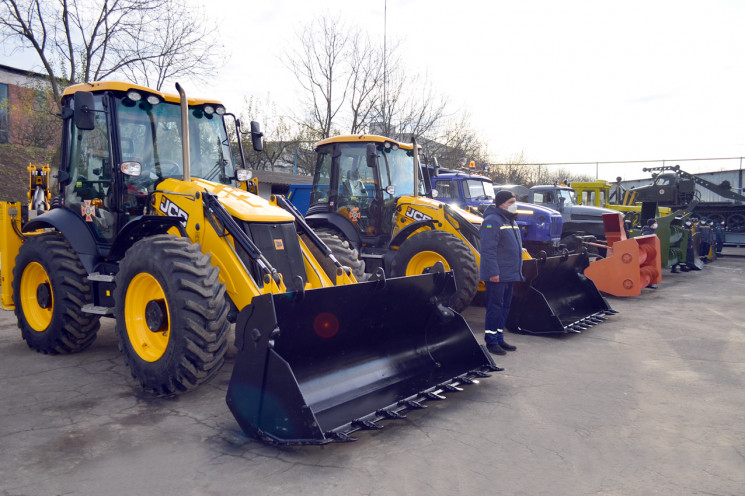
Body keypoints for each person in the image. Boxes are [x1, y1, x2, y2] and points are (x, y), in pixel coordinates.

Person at [479, 190, 523, 356]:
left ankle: (498, 336)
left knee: (504, 306)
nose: (514, 205)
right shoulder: (492, 221)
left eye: (514, 201)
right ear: (501, 204)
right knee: (495, 307)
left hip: (509, 273)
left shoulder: (510, 221)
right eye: (511, 202)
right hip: (497, 275)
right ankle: (491, 341)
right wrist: (493, 272)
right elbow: (488, 250)